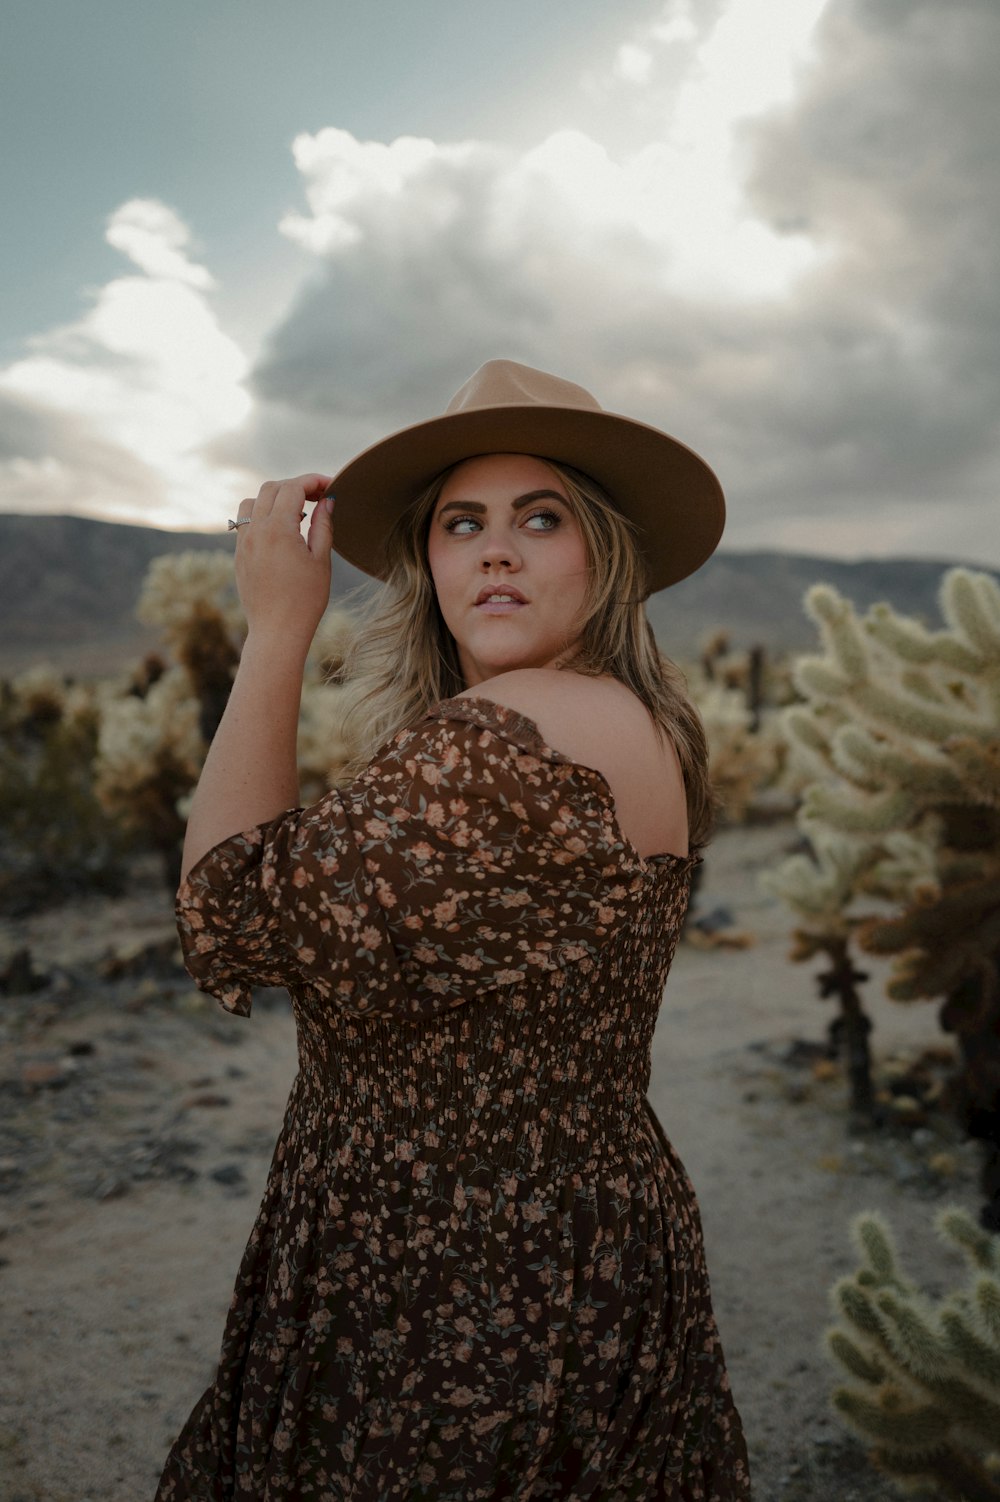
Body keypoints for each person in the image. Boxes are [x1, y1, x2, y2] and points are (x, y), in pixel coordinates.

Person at [155, 360, 750, 1500]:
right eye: (460, 522)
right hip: (574, 1234)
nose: (494, 549)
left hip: (456, 1279)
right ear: (428, 562)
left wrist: (278, 623)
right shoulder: (631, 717)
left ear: (605, 550)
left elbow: (226, 915)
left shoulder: (519, 731)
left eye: (541, 516)